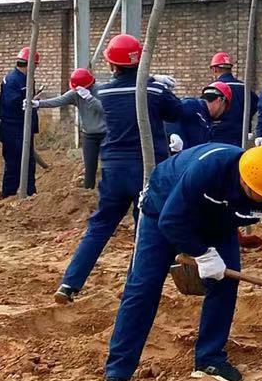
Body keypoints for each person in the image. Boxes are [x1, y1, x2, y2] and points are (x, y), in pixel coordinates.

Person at [97, 142, 262, 381]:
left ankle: (209, 358)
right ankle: (118, 373)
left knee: (225, 281)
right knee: (144, 286)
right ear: (245, 180)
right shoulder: (208, 170)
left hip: (218, 222)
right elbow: (171, 220)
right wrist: (202, 253)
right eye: (258, 195)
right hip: (164, 211)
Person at [54, 34, 187, 303]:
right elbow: (178, 113)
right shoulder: (153, 91)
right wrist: (156, 83)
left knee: (100, 226)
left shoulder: (104, 93)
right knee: (145, 229)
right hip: (147, 169)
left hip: (114, 168)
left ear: (112, 65)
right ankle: (132, 287)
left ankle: (70, 283)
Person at [35, 69, 107, 190]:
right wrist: (38, 104)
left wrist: (89, 98)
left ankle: (108, 193)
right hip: (89, 135)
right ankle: (88, 192)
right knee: (90, 167)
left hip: (106, 134)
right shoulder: (76, 93)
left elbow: (104, 109)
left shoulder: (101, 90)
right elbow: (58, 101)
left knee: (107, 166)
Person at [0, 48, 39, 197]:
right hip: (13, 129)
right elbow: (12, 103)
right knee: (14, 163)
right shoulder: (13, 80)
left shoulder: (26, 78)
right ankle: (8, 195)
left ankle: (29, 193)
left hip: (24, 127)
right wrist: (29, 102)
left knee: (28, 162)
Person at [208, 51, 255, 142]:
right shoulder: (244, 87)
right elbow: (255, 106)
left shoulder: (213, 88)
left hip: (219, 135)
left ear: (214, 69)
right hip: (241, 135)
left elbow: (208, 110)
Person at [178, 83, 232, 151]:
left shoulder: (207, 121)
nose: (223, 112)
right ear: (220, 100)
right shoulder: (191, 105)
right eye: (224, 107)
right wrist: (173, 134)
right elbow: (170, 115)